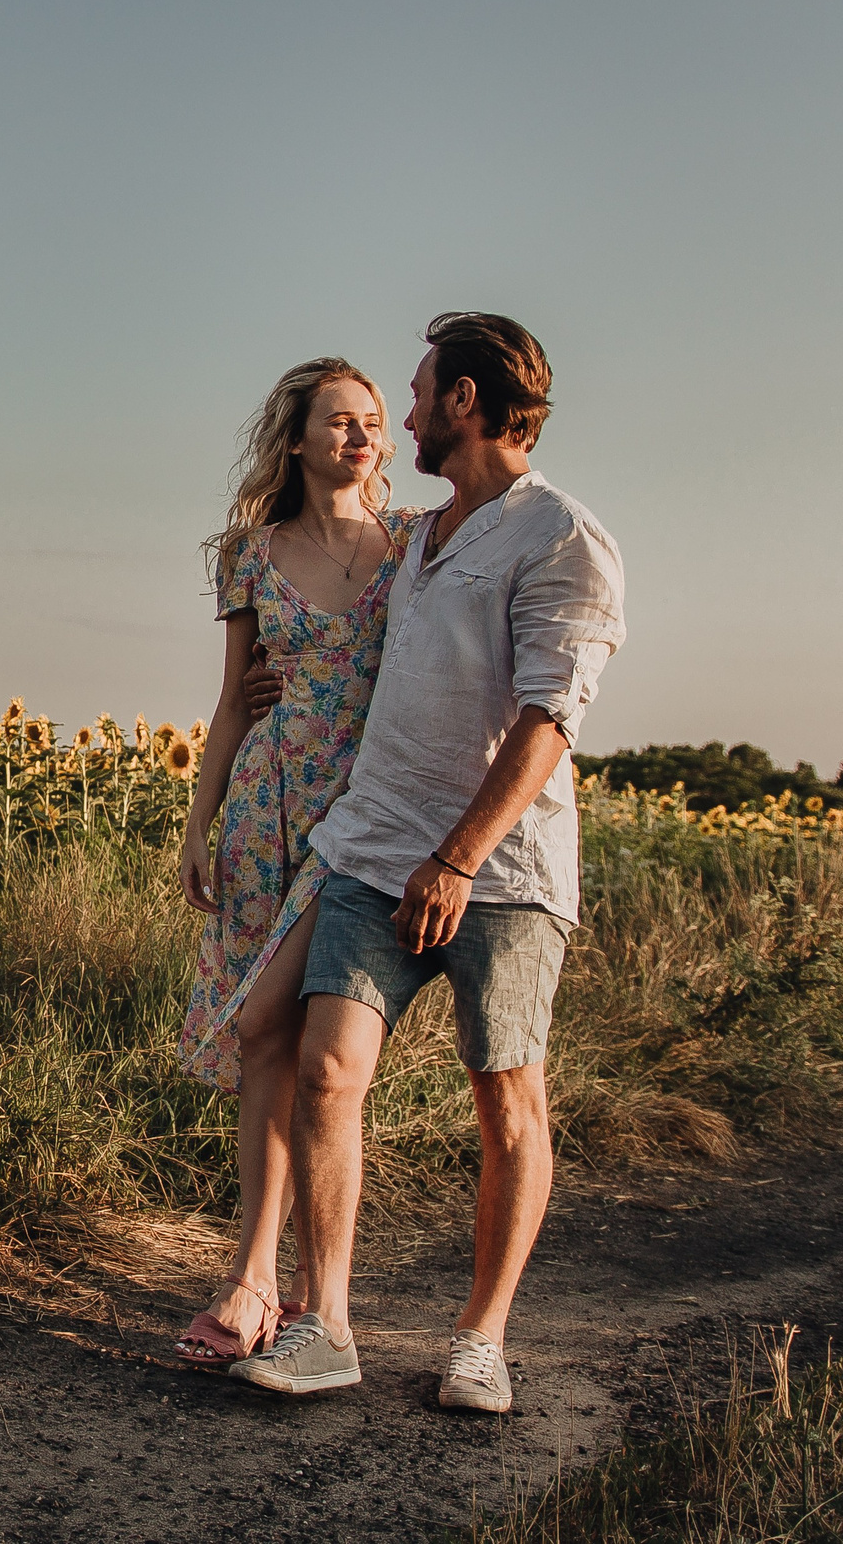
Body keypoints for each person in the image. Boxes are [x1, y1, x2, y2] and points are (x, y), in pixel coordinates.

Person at [230, 313, 624, 1413]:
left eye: (412, 395)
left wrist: (455, 861)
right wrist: (269, 689)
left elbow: (551, 717)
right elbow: (336, 614)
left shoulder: (562, 538)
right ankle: (326, 1326)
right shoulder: (424, 535)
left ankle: (479, 1339)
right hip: (368, 848)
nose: (400, 417)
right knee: (323, 1073)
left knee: (505, 1100)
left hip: (497, 874)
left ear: (463, 401)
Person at [171, 358, 422, 1368]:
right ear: (297, 440)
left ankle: (305, 1298)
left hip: (366, 814)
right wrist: (198, 818)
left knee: (308, 1043)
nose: (360, 436)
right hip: (268, 808)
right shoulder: (252, 553)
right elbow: (235, 698)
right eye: (338, 422)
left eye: (371, 422)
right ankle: (256, 1282)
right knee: (263, 1048)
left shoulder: (415, 545)